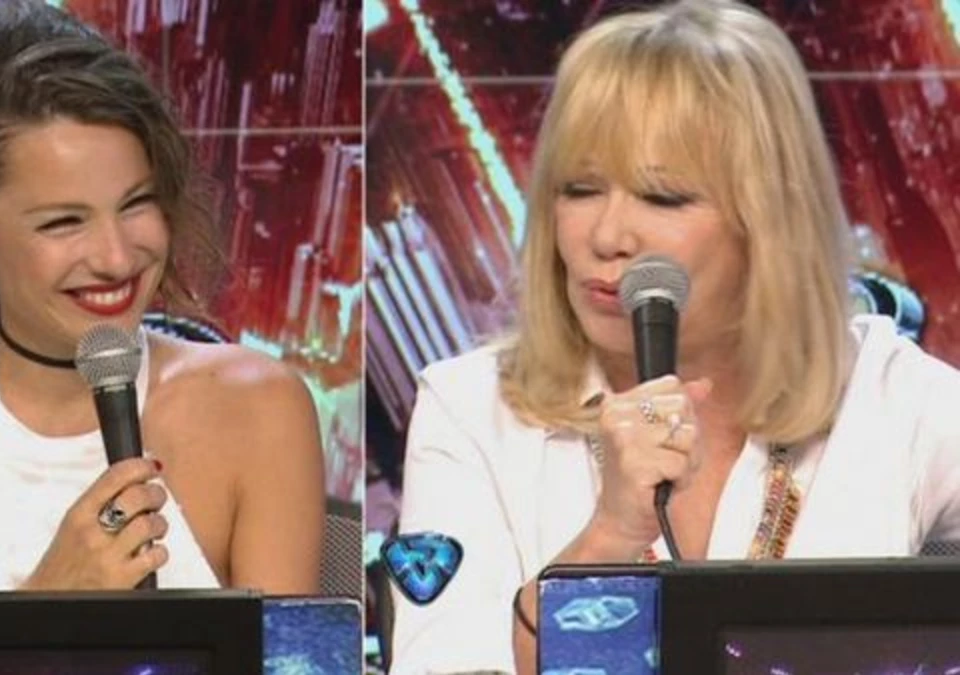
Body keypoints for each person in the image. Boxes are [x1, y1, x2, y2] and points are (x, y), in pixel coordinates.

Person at [387, 1, 960, 673]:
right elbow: (444, 663)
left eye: (663, 198)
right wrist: (609, 535)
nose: (608, 236)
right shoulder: (468, 410)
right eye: (580, 189)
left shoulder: (889, 395)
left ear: (767, 217)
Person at [0, 0, 324, 599]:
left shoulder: (257, 407)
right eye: (63, 222)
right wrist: (49, 600)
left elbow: (283, 648)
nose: (116, 258)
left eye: (136, 204)